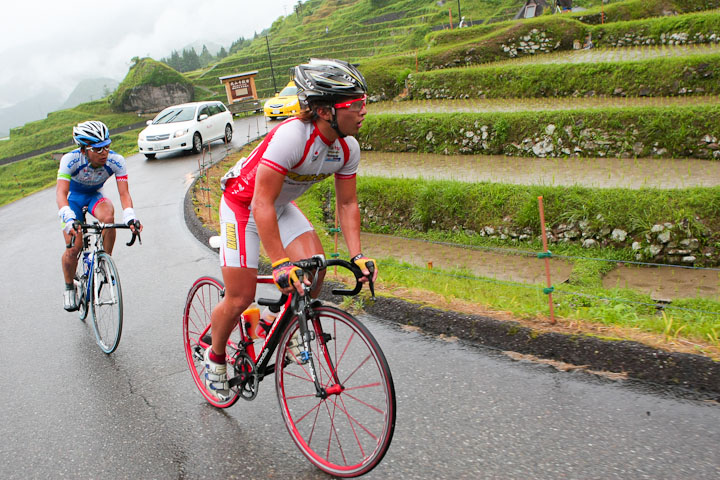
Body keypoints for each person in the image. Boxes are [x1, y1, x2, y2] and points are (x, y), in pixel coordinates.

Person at [204, 58, 378, 401]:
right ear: (326, 111)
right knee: (240, 297)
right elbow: (259, 204)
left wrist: (357, 255)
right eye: (355, 104)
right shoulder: (291, 137)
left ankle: (274, 321)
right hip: (243, 207)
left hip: (278, 207)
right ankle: (216, 357)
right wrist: (280, 262)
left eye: (364, 103)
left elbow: (347, 205)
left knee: (315, 267)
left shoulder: (347, 148)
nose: (363, 112)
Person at [57, 120, 142, 311]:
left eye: (106, 146)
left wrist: (130, 216)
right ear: (84, 149)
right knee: (74, 247)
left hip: (94, 197)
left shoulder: (116, 160)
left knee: (109, 218)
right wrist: (68, 217)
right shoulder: (70, 160)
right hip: (73, 201)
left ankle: (104, 260)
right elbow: (61, 193)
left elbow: (124, 193)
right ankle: (69, 286)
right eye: (98, 149)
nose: (104, 152)